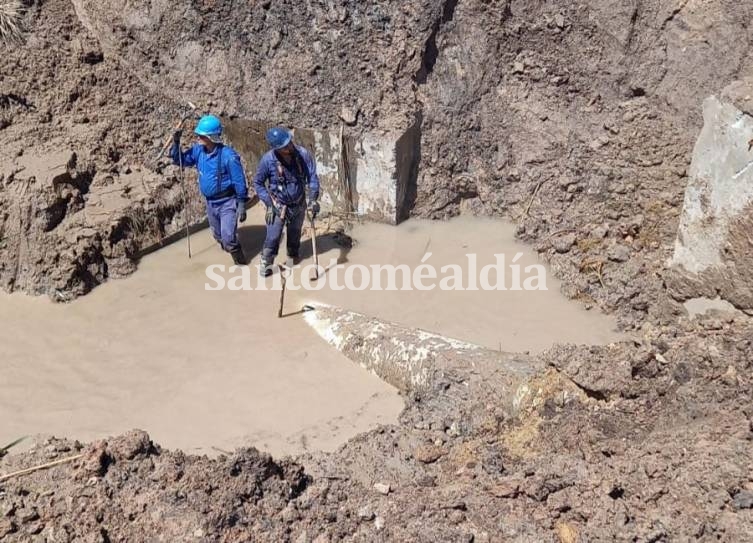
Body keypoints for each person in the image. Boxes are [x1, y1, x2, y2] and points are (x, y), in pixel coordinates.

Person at [170, 114, 250, 266]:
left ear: (212, 137)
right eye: (198, 134)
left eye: (202, 135)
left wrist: (241, 204)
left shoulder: (228, 156)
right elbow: (178, 160)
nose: (198, 137)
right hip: (211, 203)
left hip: (227, 202)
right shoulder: (198, 151)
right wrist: (176, 142)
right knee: (218, 236)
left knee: (228, 238)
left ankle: (241, 265)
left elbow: (239, 181)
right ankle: (228, 248)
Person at [253, 126, 320, 276]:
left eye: (289, 142)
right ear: (277, 149)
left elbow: (312, 178)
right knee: (273, 236)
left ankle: (293, 258)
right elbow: (258, 183)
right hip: (278, 205)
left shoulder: (302, 154)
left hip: (299, 203)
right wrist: (269, 204)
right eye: (284, 146)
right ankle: (266, 265)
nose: (289, 147)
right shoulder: (268, 160)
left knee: (295, 234)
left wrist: (313, 199)